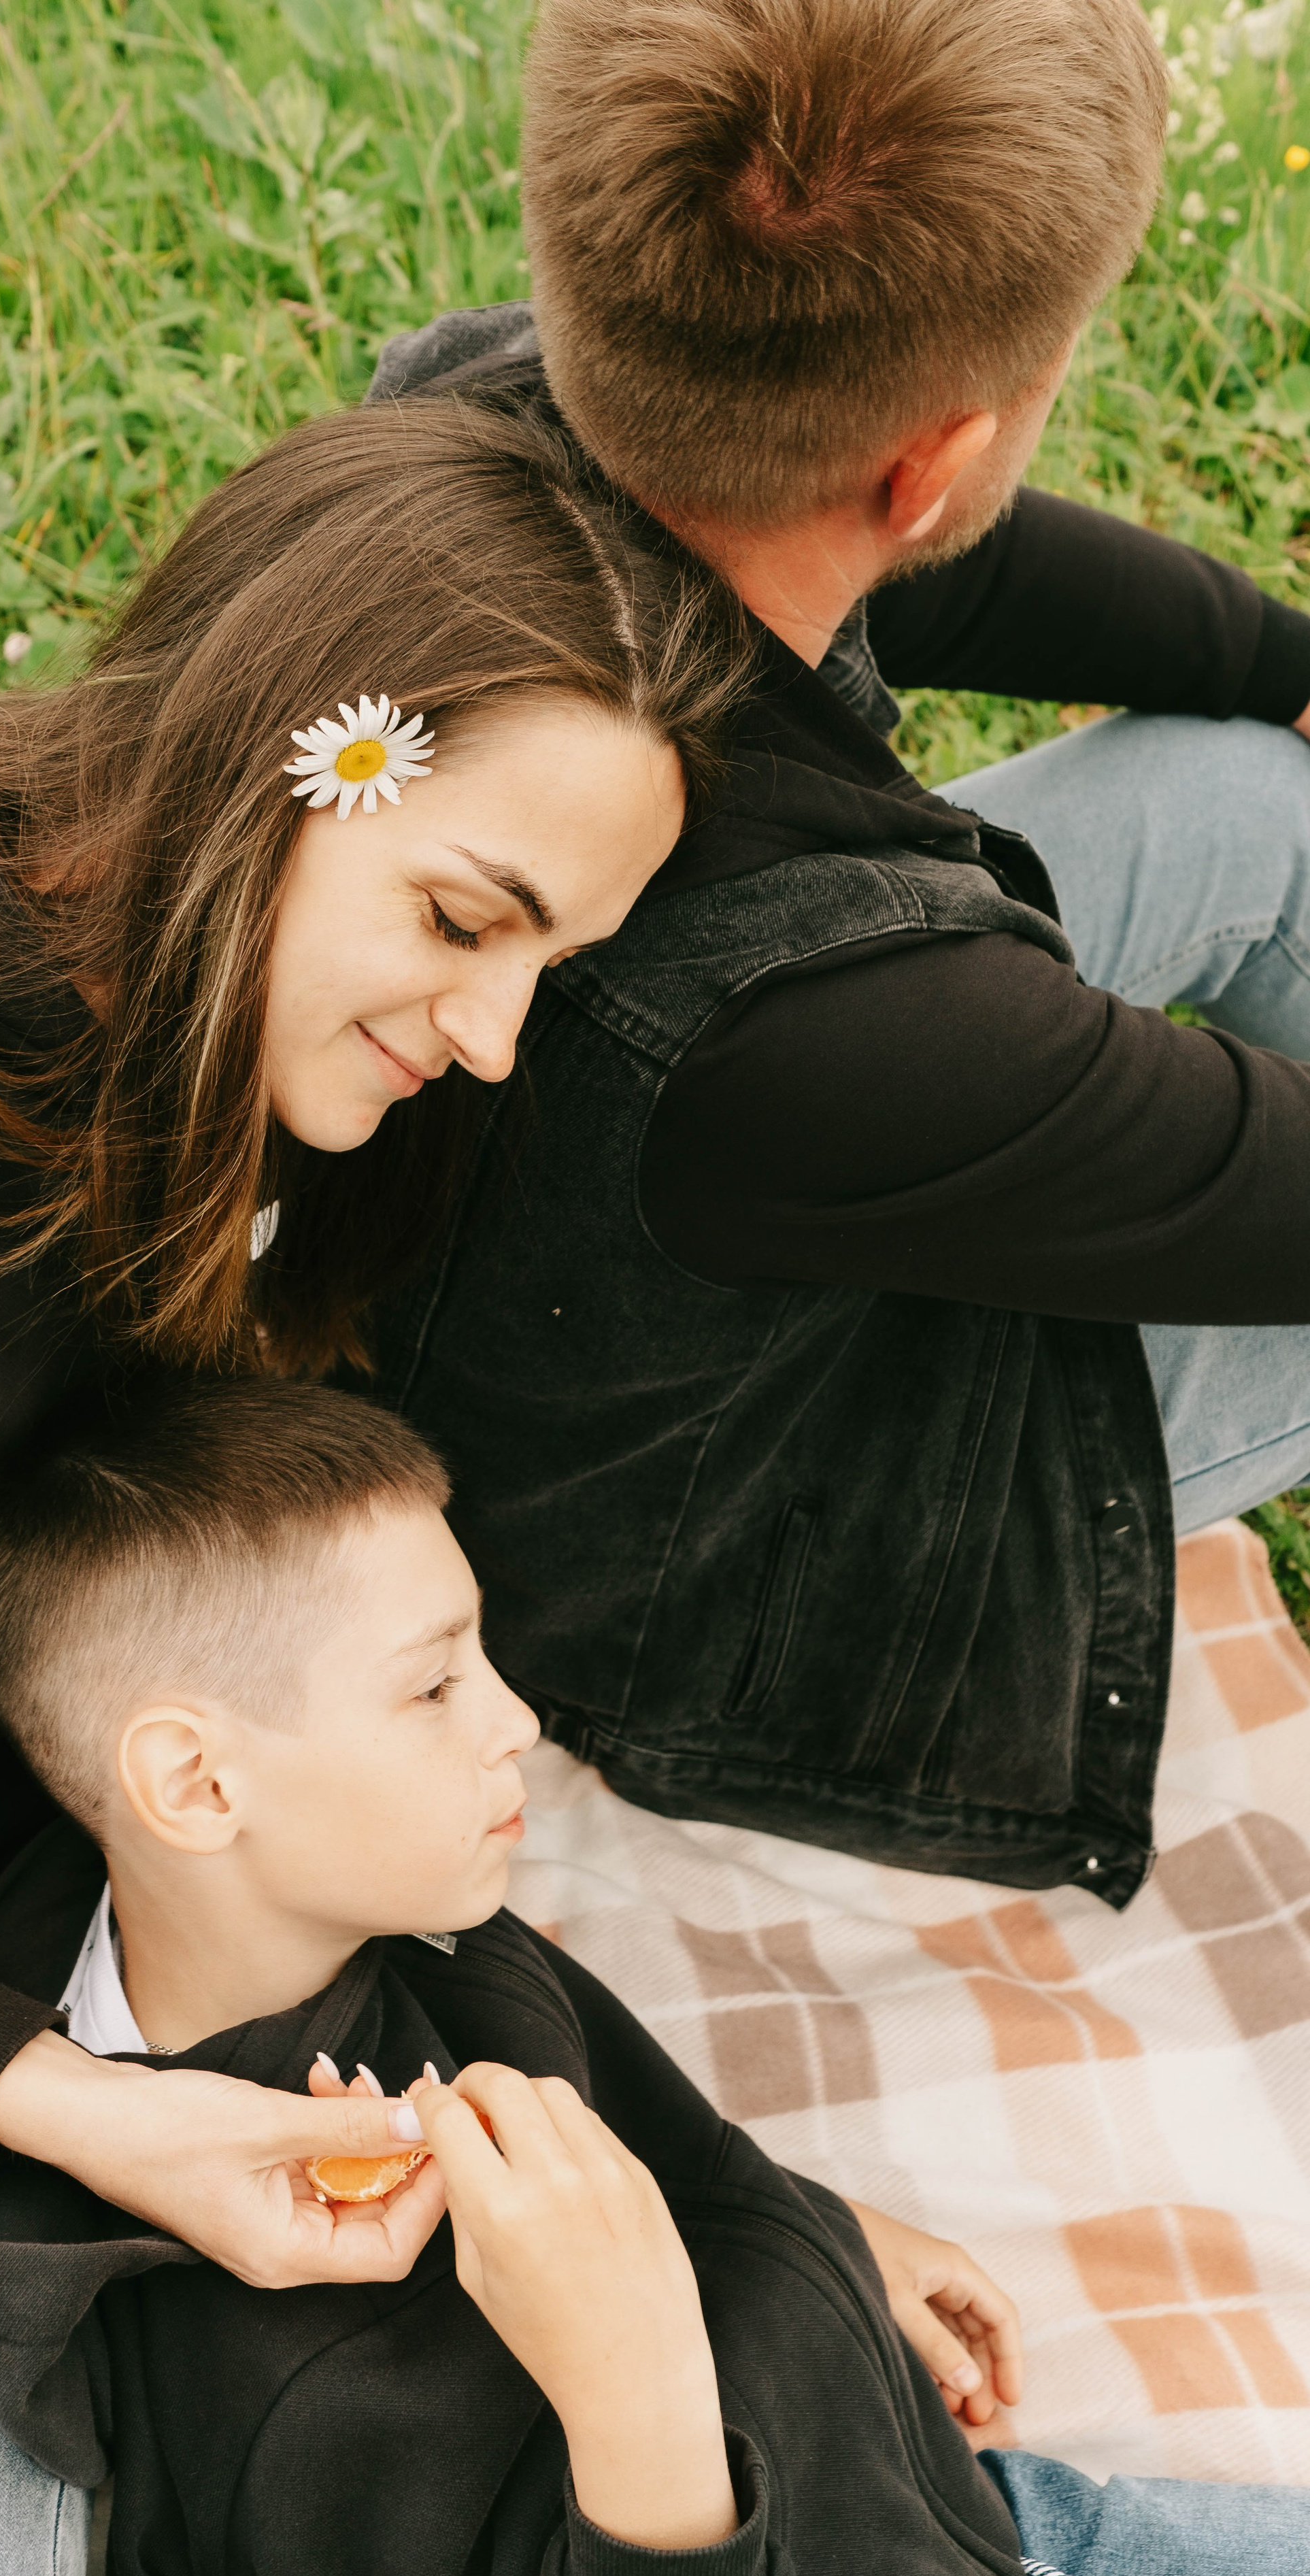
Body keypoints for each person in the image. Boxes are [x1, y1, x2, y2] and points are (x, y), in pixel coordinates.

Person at [0, 401, 745, 2576]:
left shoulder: (309, 1090)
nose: (497, 1039)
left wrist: (763, 2225)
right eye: (464, 918)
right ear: (268, 763)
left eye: (547, 968)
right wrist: (71, 2101)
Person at [356, 0, 1310, 1905]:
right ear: (935, 455)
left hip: (606, 1268)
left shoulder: (477, 422)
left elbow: (981, 566)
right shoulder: (843, 1021)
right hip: (710, 1593)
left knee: (1243, 800)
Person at [0, 1377, 1310, 2576]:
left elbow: (651, 2126)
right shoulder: (273, 2385)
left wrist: (830, 2235)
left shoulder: (397, 1924)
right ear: (197, 1787)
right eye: (432, 1688)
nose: (515, 1722)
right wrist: (629, 2394)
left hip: (941, 2494)